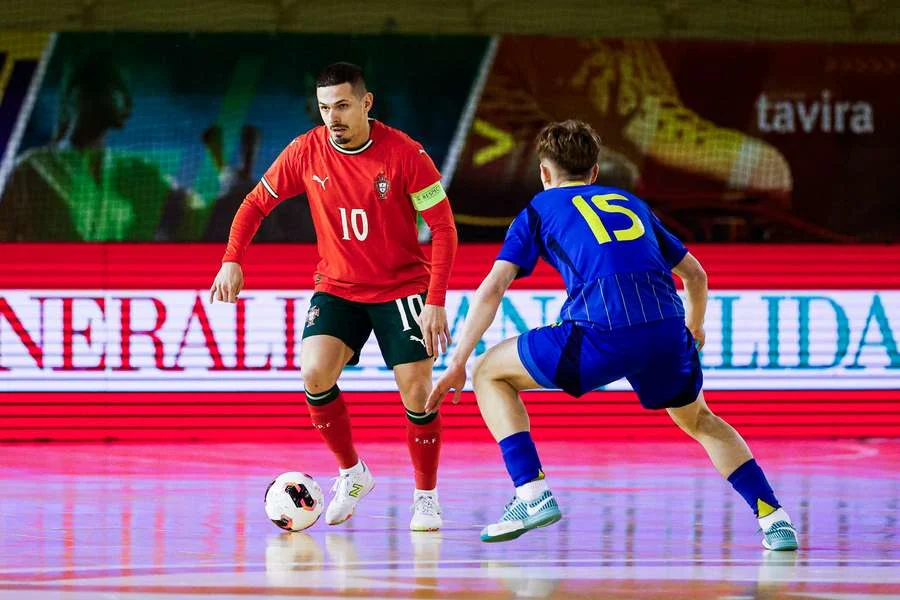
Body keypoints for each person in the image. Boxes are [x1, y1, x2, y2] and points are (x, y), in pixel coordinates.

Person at [425, 119, 798, 550]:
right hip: (665, 329)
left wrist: (456, 364)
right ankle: (774, 518)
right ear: (596, 171)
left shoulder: (538, 210)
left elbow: (493, 288)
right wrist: (693, 328)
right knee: (700, 419)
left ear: (544, 173)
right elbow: (696, 275)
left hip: (601, 331)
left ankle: (530, 492)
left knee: (489, 371)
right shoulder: (631, 202)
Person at [210, 62, 458, 531]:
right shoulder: (304, 151)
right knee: (314, 372)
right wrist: (231, 258)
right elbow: (254, 204)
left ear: (367, 103)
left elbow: (443, 229)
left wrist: (436, 299)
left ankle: (426, 496)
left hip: (401, 288)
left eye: (342, 106)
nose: (333, 118)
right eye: (325, 108)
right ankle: (352, 472)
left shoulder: (406, 155)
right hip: (338, 287)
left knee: (420, 395)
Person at [0, 52, 196, 241]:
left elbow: (192, 211)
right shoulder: (33, 169)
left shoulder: (137, 171)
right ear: (81, 94)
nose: (128, 103)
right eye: (118, 88)